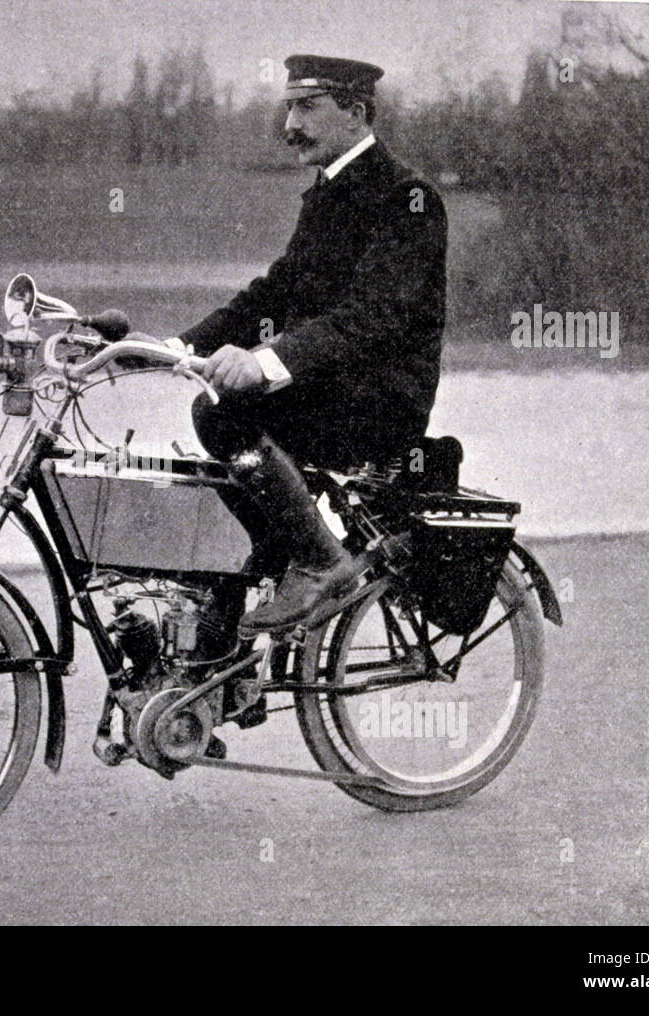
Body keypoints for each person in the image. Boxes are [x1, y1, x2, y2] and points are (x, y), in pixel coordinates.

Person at [132, 55, 448, 706]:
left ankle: (320, 563)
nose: (290, 124)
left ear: (356, 112)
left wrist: (267, 363)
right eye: (288, 107)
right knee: (225, 472)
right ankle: (220, 671)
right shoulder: (330, 192)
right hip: (331, 387)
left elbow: (374, 315)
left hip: (379, 398)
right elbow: (274, 292)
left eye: (306, 107)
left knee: (221, 413)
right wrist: (178, 344)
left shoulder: (407, 198)